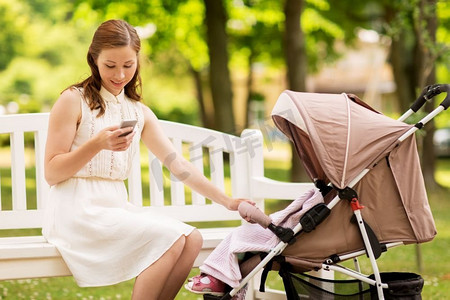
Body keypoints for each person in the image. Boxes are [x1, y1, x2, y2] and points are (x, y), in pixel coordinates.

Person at [42, 19, 252, 300]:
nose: (119, 74)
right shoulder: (73, 100)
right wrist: (96, 144)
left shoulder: (138, 111)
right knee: (170, 239)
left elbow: (178, 165)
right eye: (110, 65)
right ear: (94, 60)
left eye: (128, 65)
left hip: (114, 206)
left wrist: (229, 201)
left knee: (193, 240)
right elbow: (52, 172)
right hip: (77, 211)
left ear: (137, 61)